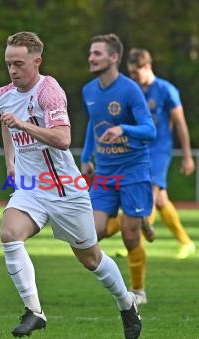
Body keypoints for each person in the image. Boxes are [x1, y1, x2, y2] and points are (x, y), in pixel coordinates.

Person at [0, 31, 141, 339]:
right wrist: (10, 161)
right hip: (31, 187)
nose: (13, 70)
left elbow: (62, 139)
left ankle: (126, 304)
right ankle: (34, 311)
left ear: (37, 61)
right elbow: (5, 122)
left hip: (65, 190)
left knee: (91, 260)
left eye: (18, 63)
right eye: (8, 64)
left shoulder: (50, 92)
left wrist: (24, 126)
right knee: (9, 233)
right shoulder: (2, 95)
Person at [80, 34, 157, 306]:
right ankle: (135, 217)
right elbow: (94, 123)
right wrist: (87, 155)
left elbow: (150, 130)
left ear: (114, 58)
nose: (91, 58)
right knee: (92, 232)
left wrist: (123, 128)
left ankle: (139, 290)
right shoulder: (88, 90)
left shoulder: (130, 90)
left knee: (129, 236)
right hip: (104, 172)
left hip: (134, 171)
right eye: (91, 53)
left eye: (97, 53)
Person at [127, 48, 196, 259]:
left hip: (159, 149)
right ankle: (186, 242)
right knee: (161, 200)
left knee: (150, 192)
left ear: (147, 67)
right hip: (139, 149)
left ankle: (135, 244)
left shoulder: (167, 90)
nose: (132, 77)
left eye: (135, 73)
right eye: (130, 73)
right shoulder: (133, 90)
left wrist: (187, 155)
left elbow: (181, 124)